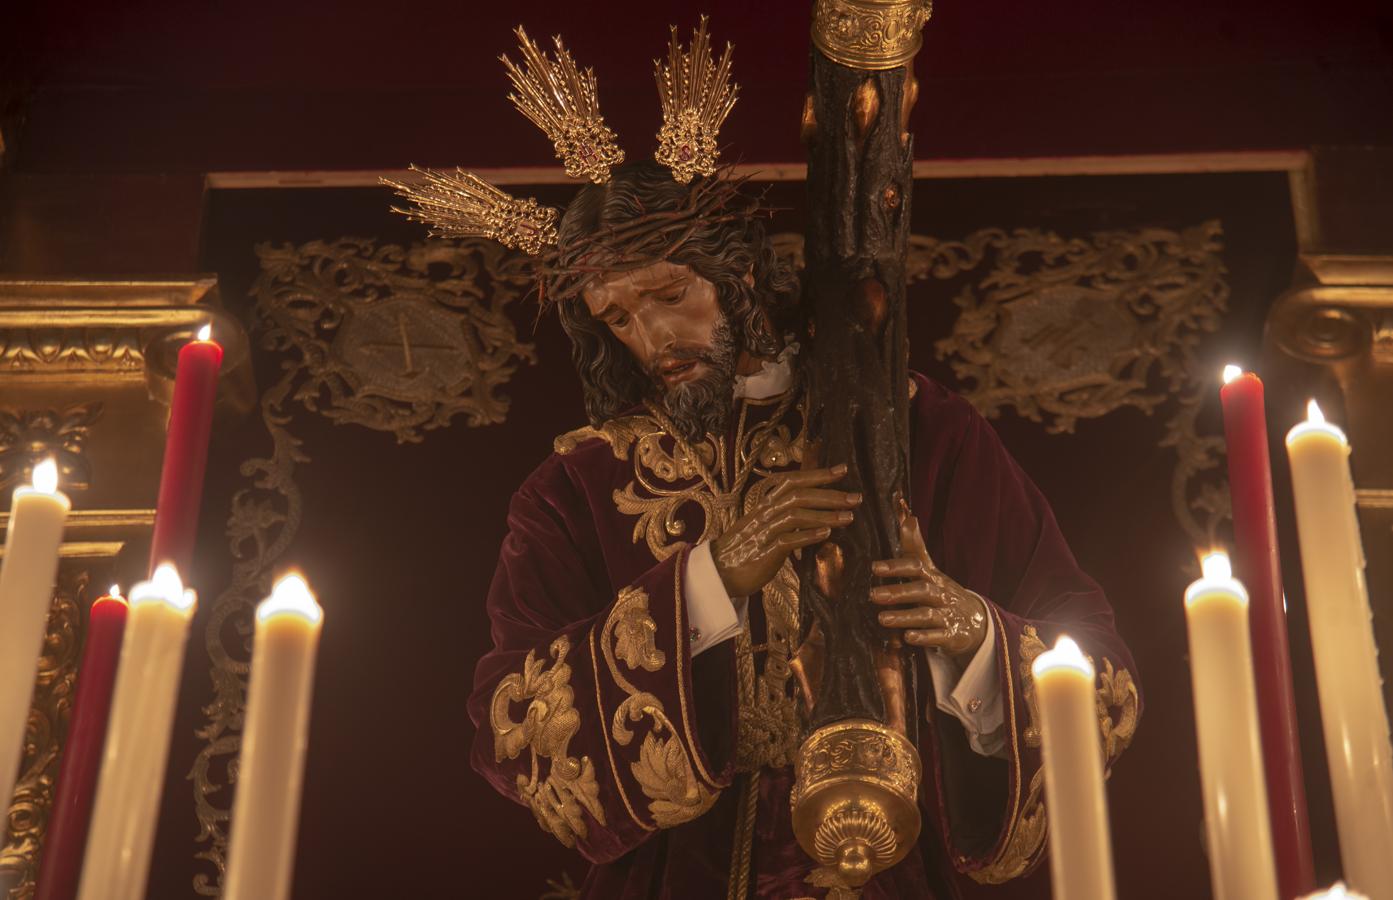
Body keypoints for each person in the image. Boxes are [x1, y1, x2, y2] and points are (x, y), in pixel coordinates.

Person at [466, 161, 1140, 899]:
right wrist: (707, 584)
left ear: (741, 274)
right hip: (681, 871)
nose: (654, 336)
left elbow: (1099, 675)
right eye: (617, 318)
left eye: (669, 295)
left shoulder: (921, 430)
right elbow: (514, 726)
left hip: (895, 855)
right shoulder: (580, 485)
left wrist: (969, 632)